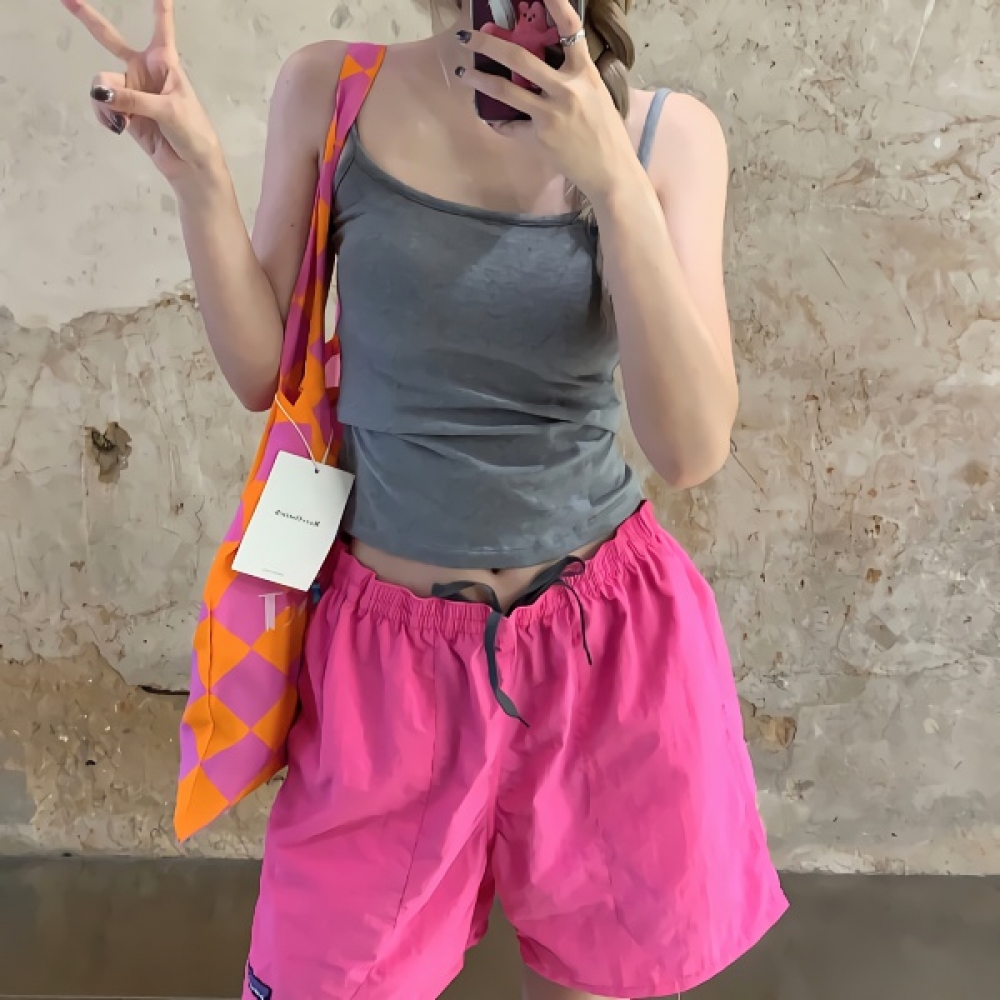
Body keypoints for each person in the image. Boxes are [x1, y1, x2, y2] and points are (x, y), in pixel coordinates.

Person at [62, 0, 788, 996]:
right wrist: (198, 173)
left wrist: (613, 180)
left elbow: (691, 448)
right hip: (387, 668)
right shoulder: (332, 88)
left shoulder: (670, 138)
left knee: (616, 977)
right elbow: (263, 369)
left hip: (608, 657)